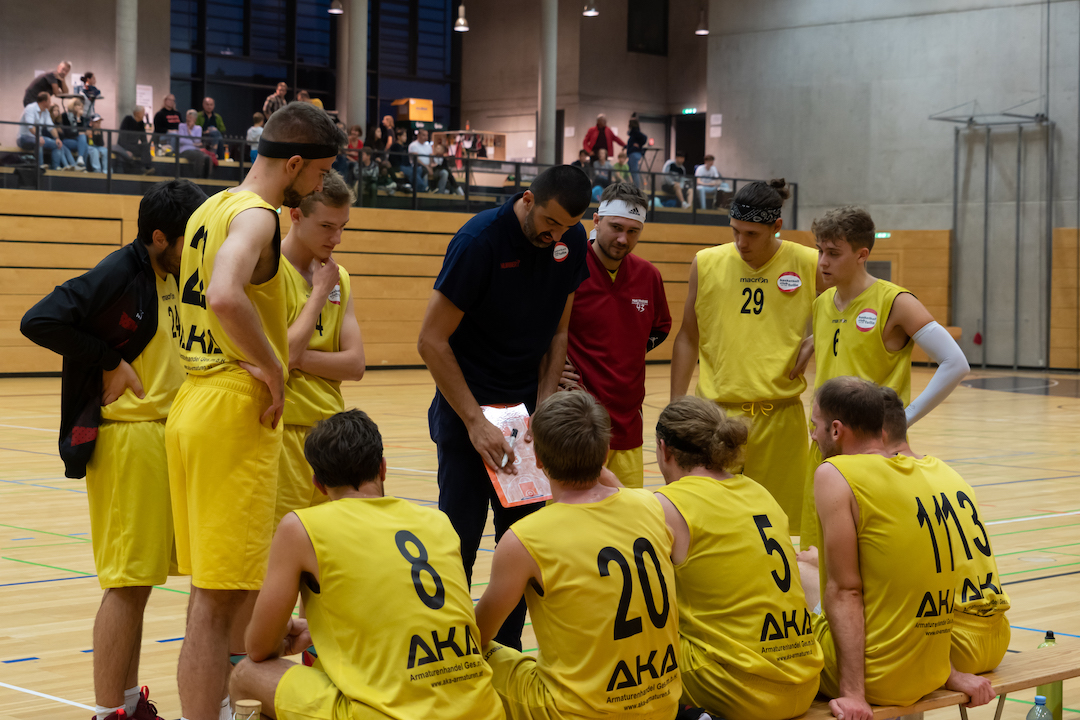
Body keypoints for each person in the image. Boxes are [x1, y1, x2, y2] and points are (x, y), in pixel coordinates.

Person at [165, 101, 343, 720]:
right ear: (292, 163)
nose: (320, 185)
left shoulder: (209, 208)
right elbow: (223, 295)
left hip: (193, 399)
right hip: (232, 409)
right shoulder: (258, 217)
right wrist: (271, 365)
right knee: (216, 605)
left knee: (211, 597)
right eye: (318, 173)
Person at [20, 179, 209, 720]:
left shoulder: (170, 273)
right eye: (186, 240)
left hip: (165, 438)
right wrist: (107, 360)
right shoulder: (118, 272)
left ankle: (128, 703)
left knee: (141, 581)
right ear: (157, 237)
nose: (194, 249)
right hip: (129, 441)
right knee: (126, 583)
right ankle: (108, 713)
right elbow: (39, 320)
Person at [229, 409, 505, 720]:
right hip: (481, 709)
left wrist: (283, 638)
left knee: (246, 674)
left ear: (318, 485)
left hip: (387, 714)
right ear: (383, 468)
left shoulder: (301, 527)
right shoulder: (438, 521)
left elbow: (257, 648)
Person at [417, 165, 593, 649]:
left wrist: (545, 401)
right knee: (459, 545)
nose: (555, 235)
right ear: (527, 198)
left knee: (525, 546)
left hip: (525, 418)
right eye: (550, 223)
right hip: (467, 410)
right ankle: (448, 654)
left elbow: (559, 330)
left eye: (566, 227)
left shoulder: (571, 241)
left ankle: (508, 659)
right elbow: (431, 341)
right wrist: (474, 421)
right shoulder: (479, 242)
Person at [474, 391, 681, 720]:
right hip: (662, 702)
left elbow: (479, 634)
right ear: (607, 451)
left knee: (465, 654)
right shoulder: (651, 505)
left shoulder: (525, 538)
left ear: (538, 459)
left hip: (581, 712)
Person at [804, 377, 993, 719]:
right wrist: (947, 672)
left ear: (835, 430)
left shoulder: (834, 472)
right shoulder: (926, 472)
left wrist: (854, 695)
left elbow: (846, 590)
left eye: (814, 426)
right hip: (929, 669)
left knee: (796, 575)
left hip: (879, 678)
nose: (812, 436)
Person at [799, 206, 970, 550]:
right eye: (820, 251)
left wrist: (905, 417)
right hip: (826, 446)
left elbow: (955, 362)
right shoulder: (822, 305)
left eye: (833, 253)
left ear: (862, 255)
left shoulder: (896, 302)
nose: (822, 262)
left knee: (870, 554)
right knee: (819, 555)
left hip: (871, 451)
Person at [653, 396, 823, 720]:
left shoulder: (667, 503)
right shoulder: (758, 490)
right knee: (805, 568)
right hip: (804, 679)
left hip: (739, 690)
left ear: (664, 450)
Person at [669, 180, 816, 532]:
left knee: (781, 528)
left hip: (780, 418)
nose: (741, 242)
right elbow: (688, 336)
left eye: (751, 234)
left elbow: (853, 302)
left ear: (776, 227)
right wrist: (676, 408)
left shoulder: (808, 262)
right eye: (735, 231)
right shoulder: (706, 263)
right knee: (711, 525)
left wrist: (818, 338)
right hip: (716, 416)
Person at [880, 387, 1011, 675]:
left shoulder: (891, 478)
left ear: (879, 433)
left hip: (950, 642)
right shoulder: (947, 472)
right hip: (997, 634)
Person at [561, 182, 671, 488]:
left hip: (627, 427)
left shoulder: (648, 276)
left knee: (627, 523)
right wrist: (553, 364)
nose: (623, 239)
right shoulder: (568, 267)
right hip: (575, 423)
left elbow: (661, 327)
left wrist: (626, 352)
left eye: (633, 231)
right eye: (616, 227)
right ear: (596, 220)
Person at [274, 170, 366, 528]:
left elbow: (355, 364)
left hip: (331, 436)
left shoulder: (338, 277)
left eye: (343, 226)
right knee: (277, 561)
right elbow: (283, 357)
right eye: (327, 227)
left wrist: (297, 358)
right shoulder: (268, 272)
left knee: (325, 565)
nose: (337, 238)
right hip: (284, 435)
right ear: (295, 214)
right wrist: (317, 294)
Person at [17, 92, 67, 169]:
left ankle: (56, 167)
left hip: (37, 137)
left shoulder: (45, 112)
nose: (50, 103)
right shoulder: (30, 108)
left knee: (57, 144)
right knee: (39, 141)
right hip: (24, 138)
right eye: (49, 101)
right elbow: (31, 126)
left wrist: (57, 138)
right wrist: (39, 136)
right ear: (44, 102)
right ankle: (40, 166)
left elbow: (51, 127)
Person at [114, 106, 155, 175]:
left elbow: (143, 139)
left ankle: (147, 168)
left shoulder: (141, 123)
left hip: (134, 146)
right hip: (125, 146)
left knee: (145, 146)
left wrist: (147, 151)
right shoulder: (127, 120)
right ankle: (143, 169)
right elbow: (122, 137)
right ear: (136, 113)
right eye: (142, 112)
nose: (144, 114)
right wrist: (125, 150)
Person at [177, 109, 212, 179]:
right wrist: (193, 143)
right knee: (199, 156)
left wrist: (190, 132)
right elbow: (181, 140)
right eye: (187, 117)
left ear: (195, 119)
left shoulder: (198, 128)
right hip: (184, 150)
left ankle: (206, 179)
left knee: (208, 158)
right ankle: (197, 178)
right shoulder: (181, 126)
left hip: (195, 150)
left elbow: (197, 140)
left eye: (190, 118)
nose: (188, 119)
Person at [59, 98, 90, 170]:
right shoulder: (65, 116)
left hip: (78, 141)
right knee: (84, 144)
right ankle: (82, 167)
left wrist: (78, 118)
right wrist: (78, 133)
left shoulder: (81, 118)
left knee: (84, 144)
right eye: (78, 105)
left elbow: (81, 131)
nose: (80, 108)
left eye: (81, 106)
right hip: (67, 140)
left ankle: (80, 160)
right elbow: (68, 133)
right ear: (72, 106)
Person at [626, 116, 647, 188]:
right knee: (629, 168)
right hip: (633, 153)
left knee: (634, 172)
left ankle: (636, 188)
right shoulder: (633, 133)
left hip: (634, 154)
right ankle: (631, 186)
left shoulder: (635, 132)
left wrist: (639, 144)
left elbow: (644, 137)